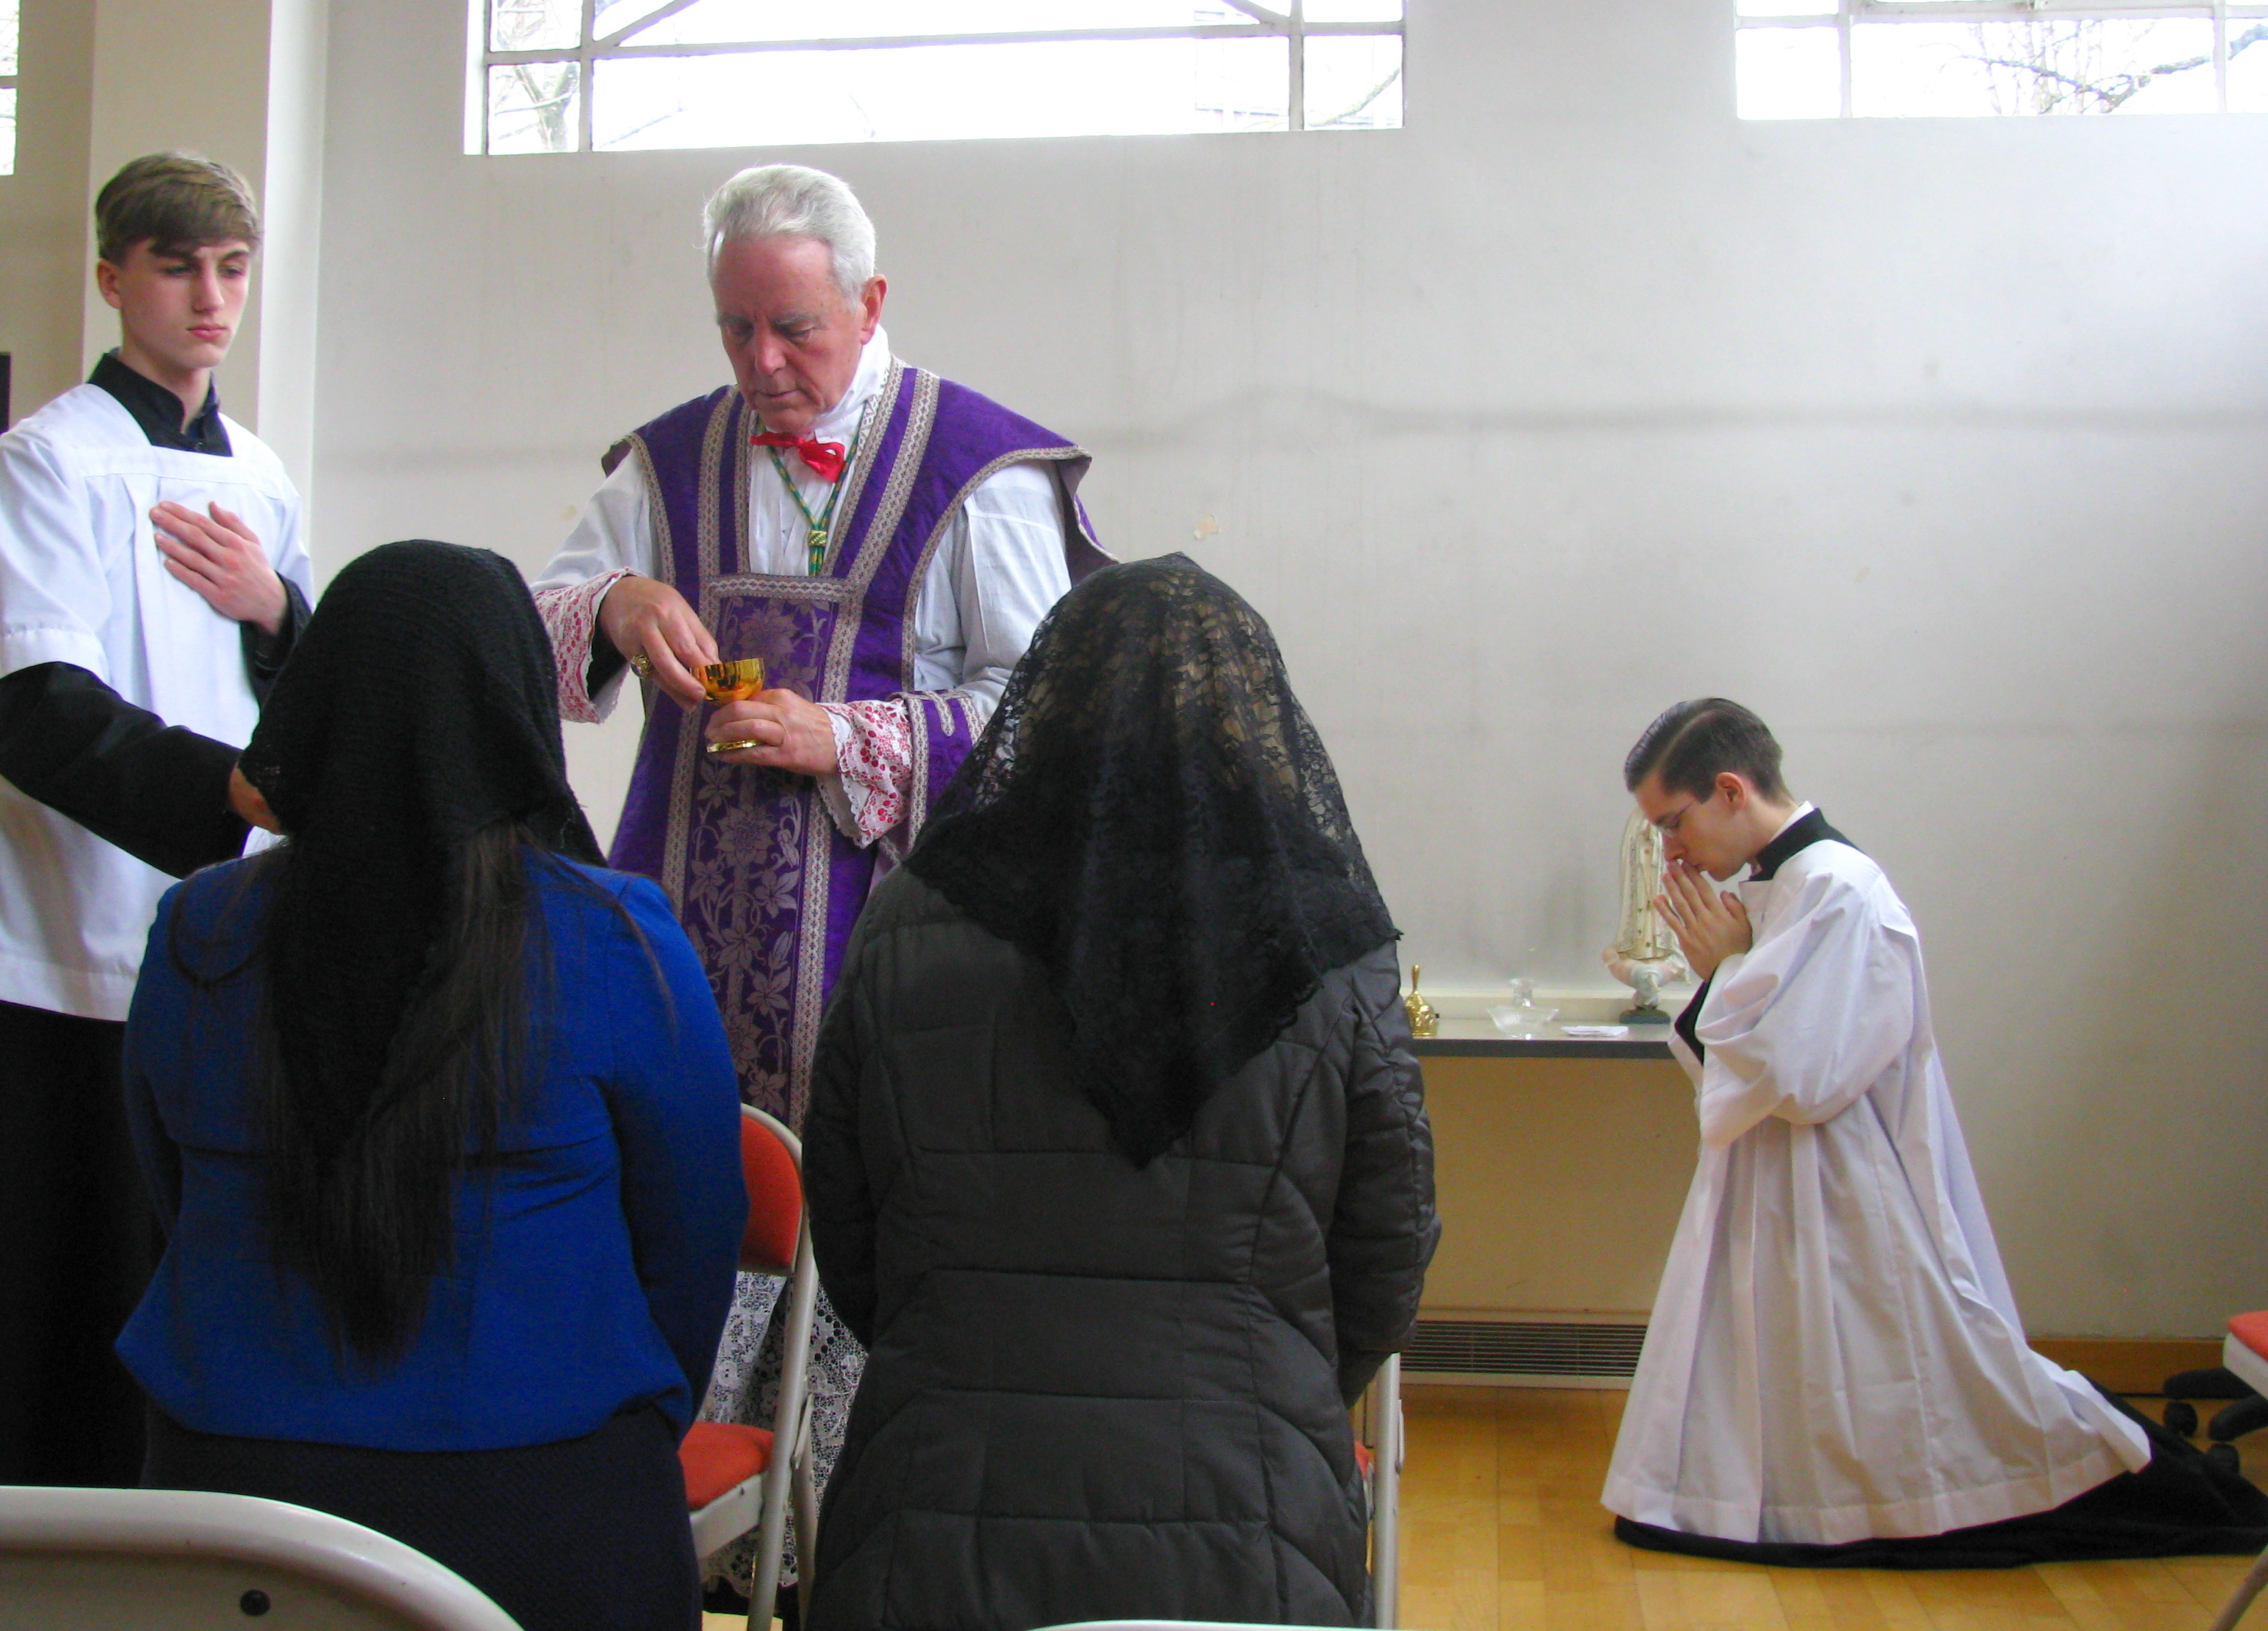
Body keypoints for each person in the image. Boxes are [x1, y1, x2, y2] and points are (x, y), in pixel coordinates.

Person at [529, 160, 1107, 1603]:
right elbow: (527, 618)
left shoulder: (978, 467)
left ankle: (863, 1553)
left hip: (897, 943)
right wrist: (613, 600)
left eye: (793, 328)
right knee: (680, 1197)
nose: (762, 364)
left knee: (866, 1218)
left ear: (870, 300)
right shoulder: (667, 462)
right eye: (734, 329)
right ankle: (683, 1540)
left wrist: (844, 737)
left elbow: (1052, 712)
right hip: (680, 931)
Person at [117, 542, 747, 1631]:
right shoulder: (613, 938)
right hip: (548, 1498)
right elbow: (692, 1241)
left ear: (313, 704)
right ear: (515, 715)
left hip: (223, 1501)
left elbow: (169, 1193)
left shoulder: (197, 929)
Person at [801, 555, 1439, 1629]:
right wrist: (1279, 1384)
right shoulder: (1325, 938)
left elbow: (845, 1219)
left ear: (1049, 701)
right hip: (1254, 1531)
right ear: (1248, 714)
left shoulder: (911, 915)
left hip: (927, 1516)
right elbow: (1388, 1250)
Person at [1601, 698, 2268, 1566]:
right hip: (1787, 1180)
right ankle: (1780, 1500)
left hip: (1843, 1182)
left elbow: (1803, 1076)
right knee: (1800, 1374)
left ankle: (2152, 1487)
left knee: (1919, 1383)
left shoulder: (1840, 892)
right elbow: (1760, 1056)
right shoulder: (1785, 888)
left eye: (1672, 823)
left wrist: (1725, 972)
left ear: (1730, 790)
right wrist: (1726, 976)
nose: (1671, 851)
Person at [0, 151, 314, 1486]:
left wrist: (280, 611)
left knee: (211, 1284)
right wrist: (222, 792)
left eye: (232, 268)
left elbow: (308, 686)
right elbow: (33, 704)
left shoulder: (263, 473)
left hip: (228, 948)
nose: (210, 297)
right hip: (66, 956)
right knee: (68, 1302)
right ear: (111, 277)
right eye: (178, 266)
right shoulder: (49, 459)